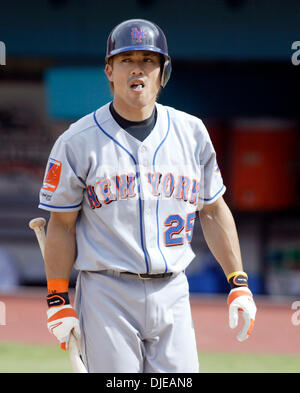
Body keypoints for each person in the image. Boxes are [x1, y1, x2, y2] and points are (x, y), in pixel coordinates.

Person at [39, 19, 257, 373]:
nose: (137, 69)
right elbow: (61, 225)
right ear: (109, 71)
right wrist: (57, 299)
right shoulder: (77, 141)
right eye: (126, 60)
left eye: (148, 60)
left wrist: (239, 282)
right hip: (106, 291)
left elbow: (214, 210)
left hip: (173, 289)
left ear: (162, 72)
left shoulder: (192, 133)